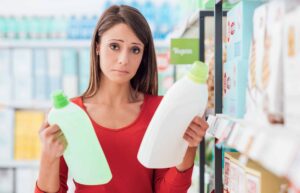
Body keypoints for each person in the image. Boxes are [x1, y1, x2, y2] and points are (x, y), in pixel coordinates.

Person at [35, 5, 209, 193]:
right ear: (97, 47)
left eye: (135, 50)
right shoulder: (71, 114)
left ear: (143, 56)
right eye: (114, 46)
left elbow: (168, 191)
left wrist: (189, 146)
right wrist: (48, 155)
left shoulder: (159, 109)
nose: (123, 59)